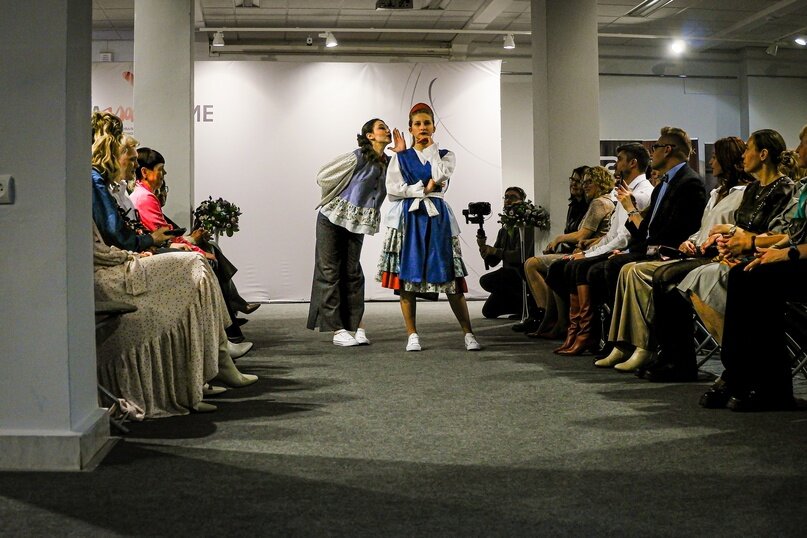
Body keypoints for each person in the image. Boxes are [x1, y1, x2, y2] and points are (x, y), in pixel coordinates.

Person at [91, 113, 257, 418]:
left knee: (198, 261)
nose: (130, 161)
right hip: (114, 265)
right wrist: (151, 243)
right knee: (196, 263)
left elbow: (126, 231)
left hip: (128, 254)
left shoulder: (105, 184)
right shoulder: (97, 182)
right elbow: (119, 234)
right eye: (127, 153)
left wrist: (156, 242)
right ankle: (216, 359)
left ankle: (212, 362)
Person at [596, 136, 752, 373]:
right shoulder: (712, 192)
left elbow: (666, 230)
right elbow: (696, 228)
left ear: (667, 149)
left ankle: (647, 347)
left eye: (714, 157)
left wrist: (633, 213)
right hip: (690, 251)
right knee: (624, 268)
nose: (710, 162)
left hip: (708, 255)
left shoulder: (701, 185)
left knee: (638, 272)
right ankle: (623, 343)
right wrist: (690, 241)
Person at [699, 123, 807, 411]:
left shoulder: (788, 188)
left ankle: (765, 384)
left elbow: (791, 240)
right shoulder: (803, 187)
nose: (797, 150)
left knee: (754, 277)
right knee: (745, 274)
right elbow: (792, 235)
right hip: (793, 255)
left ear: (762, 154)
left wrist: (779, 252)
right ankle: (741, 373)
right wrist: (764, 247)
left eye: (803, 143)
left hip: (800, 260)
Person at [377, 102, 480, 352]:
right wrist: (421, 188)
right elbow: (393, 190)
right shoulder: (400, 158)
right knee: (406, 277)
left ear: (434, 127)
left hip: (437, 217)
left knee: (450, 277)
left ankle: (468, 333)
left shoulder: (445, 154)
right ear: (410, 128)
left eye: (427, 123)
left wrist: (431, 151)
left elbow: (441, 175)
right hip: (409, 218)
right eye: (418, 124)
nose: (422, 127)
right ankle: (412, 334)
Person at [130, 147, 259, 343]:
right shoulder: (145, 197)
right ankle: (228, 326)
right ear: (145, 172)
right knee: (209, 257)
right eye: (161, 170)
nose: (164, 174)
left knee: (211, 249)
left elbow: (166, 233)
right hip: (154, 251)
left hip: (160, 246)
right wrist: (196, 248)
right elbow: (165, 235)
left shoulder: (145, 195)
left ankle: (229, 315)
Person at [546, 144, 653, 354]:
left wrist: (589, 254)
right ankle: (577, 330)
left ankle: (590, 333)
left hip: (630, 251)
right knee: (569, 266)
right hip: (618, 248)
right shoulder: (624, 192)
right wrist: (587, 253)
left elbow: (624, 238)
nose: (616, 164)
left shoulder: (641, 194)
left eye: (619, 159)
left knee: (580, 267)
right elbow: (612, 235)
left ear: (633, 163)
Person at [308, 118, 403, 346]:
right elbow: (323, 176)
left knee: (353, 273)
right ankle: (337, 330)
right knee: (330, 272)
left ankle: (356, 324)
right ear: (370, 135)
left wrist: (402, 153)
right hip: (332, 219)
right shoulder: (357, 157)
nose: (387, 130)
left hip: (357, 223)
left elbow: (404, 183)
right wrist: (338, 196)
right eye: (381, 128)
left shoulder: (390, 163)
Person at [523, 166, 615, 345]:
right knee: (548, 266)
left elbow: (582, 235)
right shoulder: (599, 202)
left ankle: (553, 319)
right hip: (587, 250)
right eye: (583, 182)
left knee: (538, 265)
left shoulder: (599, 203)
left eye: (589, 182)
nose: (584, 185)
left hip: (590, 253)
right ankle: (551, 319)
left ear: (600, 183)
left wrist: (558, 239)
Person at [477, 186, 535, 321]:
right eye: (506, 197)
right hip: (508, 275)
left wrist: (495, 251)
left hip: (520, 274)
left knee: (486, 280)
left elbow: (520, 256)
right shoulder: (504, 229)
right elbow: (493, 262)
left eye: (513, 197)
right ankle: (519, 306)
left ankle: (526, 305)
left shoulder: (526, 226)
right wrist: (483, 247)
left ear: (522, 201)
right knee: (488, 311)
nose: (508, 200)